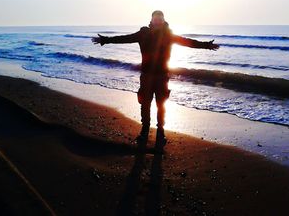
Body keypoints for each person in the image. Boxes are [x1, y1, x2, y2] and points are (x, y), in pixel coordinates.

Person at [91, 10, 219, 150]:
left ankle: (160, 132)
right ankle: (144, 131)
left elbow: (187, 42)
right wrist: (106, 40)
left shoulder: (169, 36)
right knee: (145, 104)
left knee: (161, 104)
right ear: (151, 20)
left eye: (160, 18)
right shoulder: (143, 34)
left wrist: (206, 45)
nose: (158, 20)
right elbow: (124, 38)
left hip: (162, 76)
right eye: (155, 18)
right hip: (146, 76)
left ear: (163, 20)